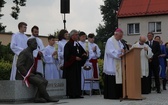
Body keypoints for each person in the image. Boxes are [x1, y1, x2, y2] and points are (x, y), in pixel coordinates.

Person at [16, 38, 59, 103]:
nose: (36, 45)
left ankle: (37, 97)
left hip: (30, 74)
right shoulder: (24, 52)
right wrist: (27, 74)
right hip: (23, 75)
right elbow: (19, 65)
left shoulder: (30, 52)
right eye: (35, 43)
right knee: (41, 82)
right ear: (30, 44)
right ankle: (47, 97)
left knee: (45, 81)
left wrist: (35, 73)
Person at [63, 30, 88, 98]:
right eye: (76, 35)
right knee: (72, 80)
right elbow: (67, 56)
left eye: (77, 35)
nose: (77, 36)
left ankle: (77, 93)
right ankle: (72, 94)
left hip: (77, 65)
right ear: (72, 35)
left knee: (77, 79)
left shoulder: (77, 43)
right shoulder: (68, 44)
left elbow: (82, 51)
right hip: (71, 66)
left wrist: (84, 55)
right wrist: (75, 58)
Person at [103, 28, 124, 99]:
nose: (121, 38)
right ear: (116, 34)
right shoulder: (110, 40)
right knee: (112, 79)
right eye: (120, 36)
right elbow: (109, 52)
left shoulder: (119, 41)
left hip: (117, 63)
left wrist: (122, 51)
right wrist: (119, 53)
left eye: (121, 36)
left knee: (117, 79)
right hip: (111, 63)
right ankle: (111, 95)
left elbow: (122, 48)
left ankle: (118, 94)